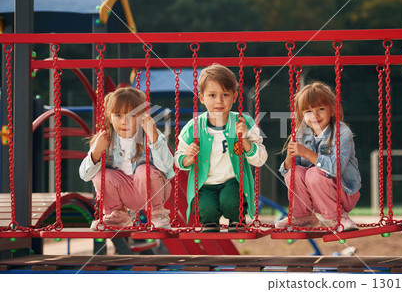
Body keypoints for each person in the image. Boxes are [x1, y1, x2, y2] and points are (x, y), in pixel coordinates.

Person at [175, 64, 268, 232]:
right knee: (206, 209)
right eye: (212, 95)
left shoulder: (244, 123)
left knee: (231, 200)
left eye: (225, 94)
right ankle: (210, 223)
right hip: (205, 184)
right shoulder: (193, 127)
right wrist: (188, 157)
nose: (219, 101)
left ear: (234, 96)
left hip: (232, 182)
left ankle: (237, 220)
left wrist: (246, 141)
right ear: (201, 97)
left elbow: (261, 159)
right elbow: (179, 160)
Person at [79, 87, 174, 230]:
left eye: (132, 115)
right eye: (118, 115)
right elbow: (85, 175)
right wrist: (96, 153)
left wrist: (154, 138)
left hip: (151, 190)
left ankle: (157, 214)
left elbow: (167, 168)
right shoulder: (105, 139)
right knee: (100, 175)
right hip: (124, 194)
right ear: (109, 116)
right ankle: (118, 215)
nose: (125, 121)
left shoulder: (150, 134)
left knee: (143, 170)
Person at [276, 81, 361, 232]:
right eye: (308, 111)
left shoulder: (342, 132)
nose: (314, 115)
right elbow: (287, 173)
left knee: (314, 173)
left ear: (333, 110)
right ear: (302, 114)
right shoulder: (301, 133)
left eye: (321, 109)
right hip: (314, 197)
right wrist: (289, 159)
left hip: (343, 194)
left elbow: (335, 169)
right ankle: (303, 217)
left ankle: (339, 217)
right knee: (294, 173)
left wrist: (307, 153)